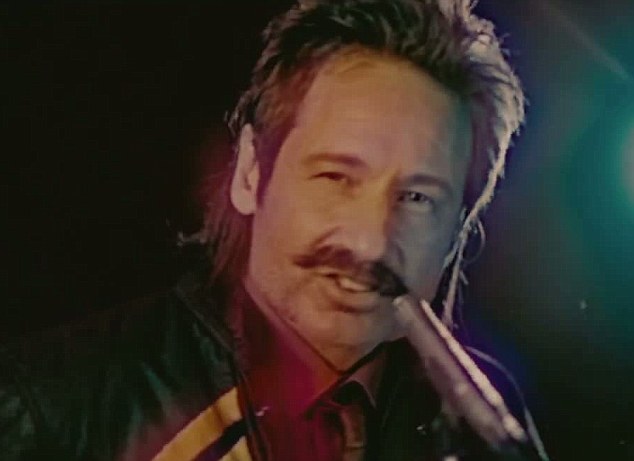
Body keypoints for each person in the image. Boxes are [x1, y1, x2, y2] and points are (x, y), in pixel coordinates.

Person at [0, 0, 548, 460]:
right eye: (336, 177)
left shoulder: (485, 425)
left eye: (417, 198)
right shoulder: (53, 407)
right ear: (249, 173)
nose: (372, 241)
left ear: (457, 233)